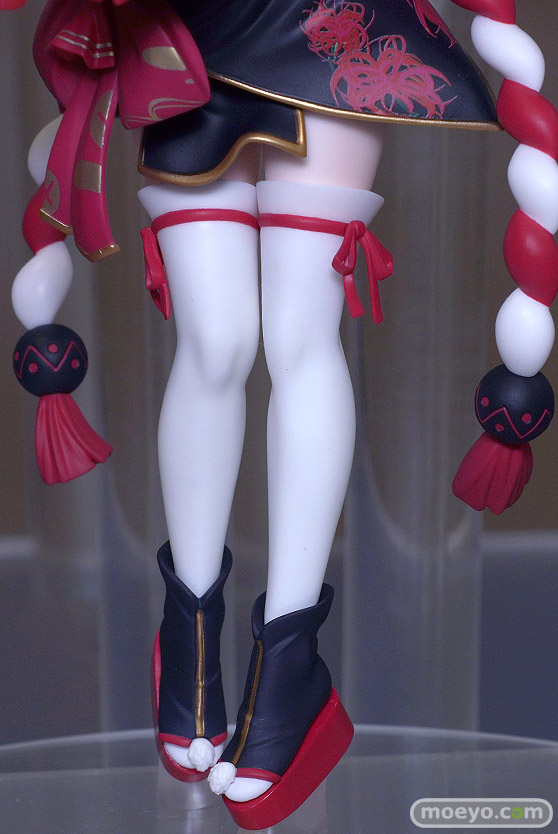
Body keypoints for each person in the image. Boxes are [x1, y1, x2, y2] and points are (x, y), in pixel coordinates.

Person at [5, 0, 558, 828]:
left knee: (301, 332)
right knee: (214, 339)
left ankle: (290, 666)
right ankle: (189, 636)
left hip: (326, 29)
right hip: (185, 37)